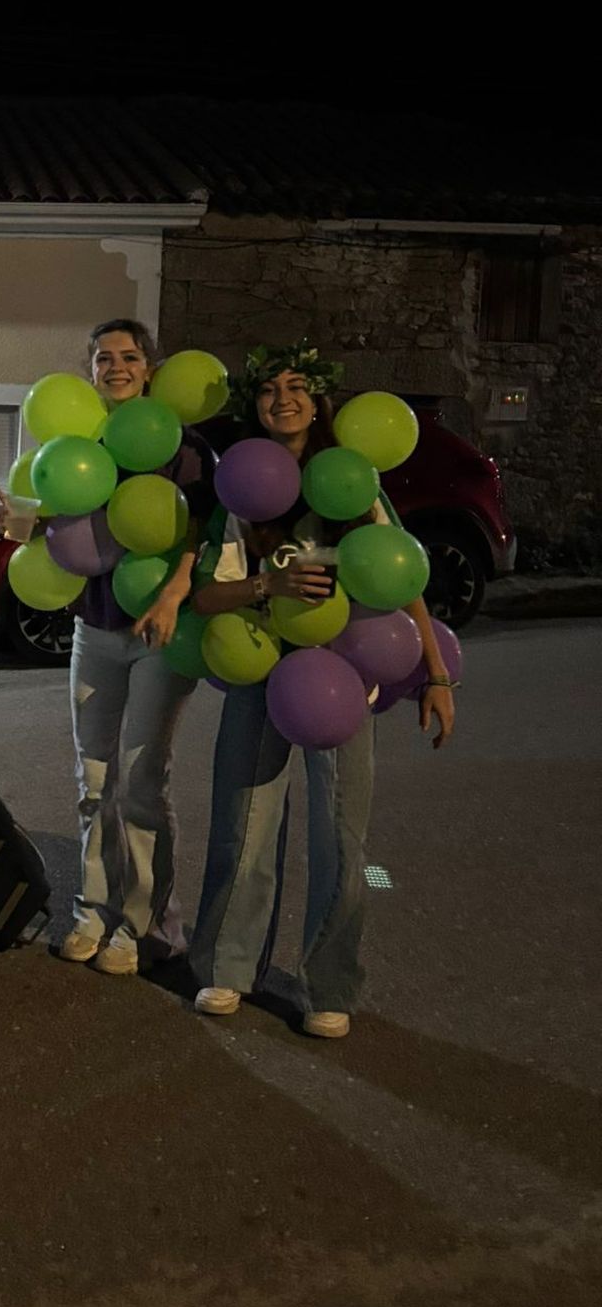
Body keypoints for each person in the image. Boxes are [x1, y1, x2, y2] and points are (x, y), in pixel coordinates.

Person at [187, 343, 457, 1038]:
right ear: (257, 404)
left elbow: (405, 582)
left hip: (344, 683)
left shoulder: (353, 482)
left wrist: (437, 674)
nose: (284, 397)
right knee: (243, 828)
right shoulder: (243, 484)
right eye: (271, 387)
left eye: (298, 385)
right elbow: (205, 596)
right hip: (259, 674)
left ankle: (329, 983)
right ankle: (227, 966)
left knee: (342, 839)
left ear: (320, 399)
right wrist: (266, 584)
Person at [54, 320, 217, 976]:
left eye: (129, 356)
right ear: (90, 369)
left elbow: (204, 531)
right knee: (95, 781)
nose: (116, 367)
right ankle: (92, 910)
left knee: (142, 783)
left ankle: (143, 922)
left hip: (159, 635)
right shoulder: (81, 442)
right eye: (103, 358)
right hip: (94, 628)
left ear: (151, 368)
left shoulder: (184, 447)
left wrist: (177, 589)